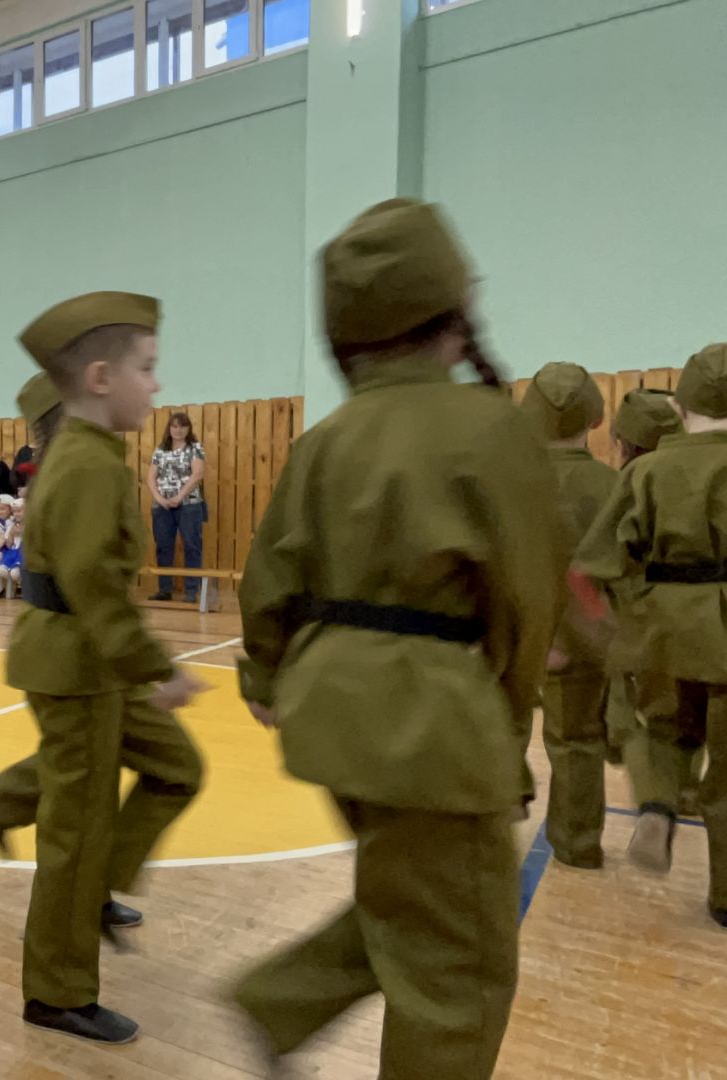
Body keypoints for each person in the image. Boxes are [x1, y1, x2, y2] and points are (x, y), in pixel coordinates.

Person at [232, 199, 558, 1079]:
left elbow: (268, 581)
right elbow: (526, 609)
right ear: (452, 320)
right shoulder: (492, 430)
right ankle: (280, 995)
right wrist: (509, 735)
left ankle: (282, 997)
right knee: (459, 968)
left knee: (409, 894)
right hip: (434, 724)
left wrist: (262, 678)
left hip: (329, 717)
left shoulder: (324, 440)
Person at [0, 302, 205, 1044]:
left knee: (176, 768)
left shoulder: (95, 454)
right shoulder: (83, 462)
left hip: (94, 660)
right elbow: (92, 583)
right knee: (72, 838)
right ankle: (56, 990)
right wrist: (156, 667)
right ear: (102, 377)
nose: (157, 382)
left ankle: (93, 886)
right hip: (79, 662)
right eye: (146, 367)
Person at [573, 342, 727, 931]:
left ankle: (657, 806)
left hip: (664, 624)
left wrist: (612, 623)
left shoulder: (644, 472)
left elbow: (598, 562)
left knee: (663, 728)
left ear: (678, 408)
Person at [520, 363, 617, 870]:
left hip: (510, 635)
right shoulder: (612, 486)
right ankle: (578, 844)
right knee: (578, 740)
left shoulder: (505, 484)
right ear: (597, 419)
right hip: (580, 637)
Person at [601, 390, 704, 814]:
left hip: (634, 610)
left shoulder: (625, 483)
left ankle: (654, 795)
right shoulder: (698, 478)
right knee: (690, 707)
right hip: (696, 609)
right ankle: (689, 789)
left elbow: (604, 555)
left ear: (622, 441)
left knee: (635, 714)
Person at [148, 413, 208, 603]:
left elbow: (197, 474)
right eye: (174, 426)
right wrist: (160, 499)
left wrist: (179, 497)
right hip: (162, 506)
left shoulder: (194, 449)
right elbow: (151, 478)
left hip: (189, 505)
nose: (178, 430)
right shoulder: (160, 450)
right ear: (169, 428)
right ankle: (165, 589)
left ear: (189, 429)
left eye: (182, 426)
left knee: (192, 546)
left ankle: (191, 591)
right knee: (163, 546)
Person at [0, 499, 26, 597]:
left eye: (19, 511)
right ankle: (11, 590)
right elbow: (9, 545)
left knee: (15, 573)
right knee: (2, 570)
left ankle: (24, 587)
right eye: (14, 512)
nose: (16, 514)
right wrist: (11, 534)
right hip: (13, 552)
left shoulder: (31, 524)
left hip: (24, 552)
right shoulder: (11, 524)